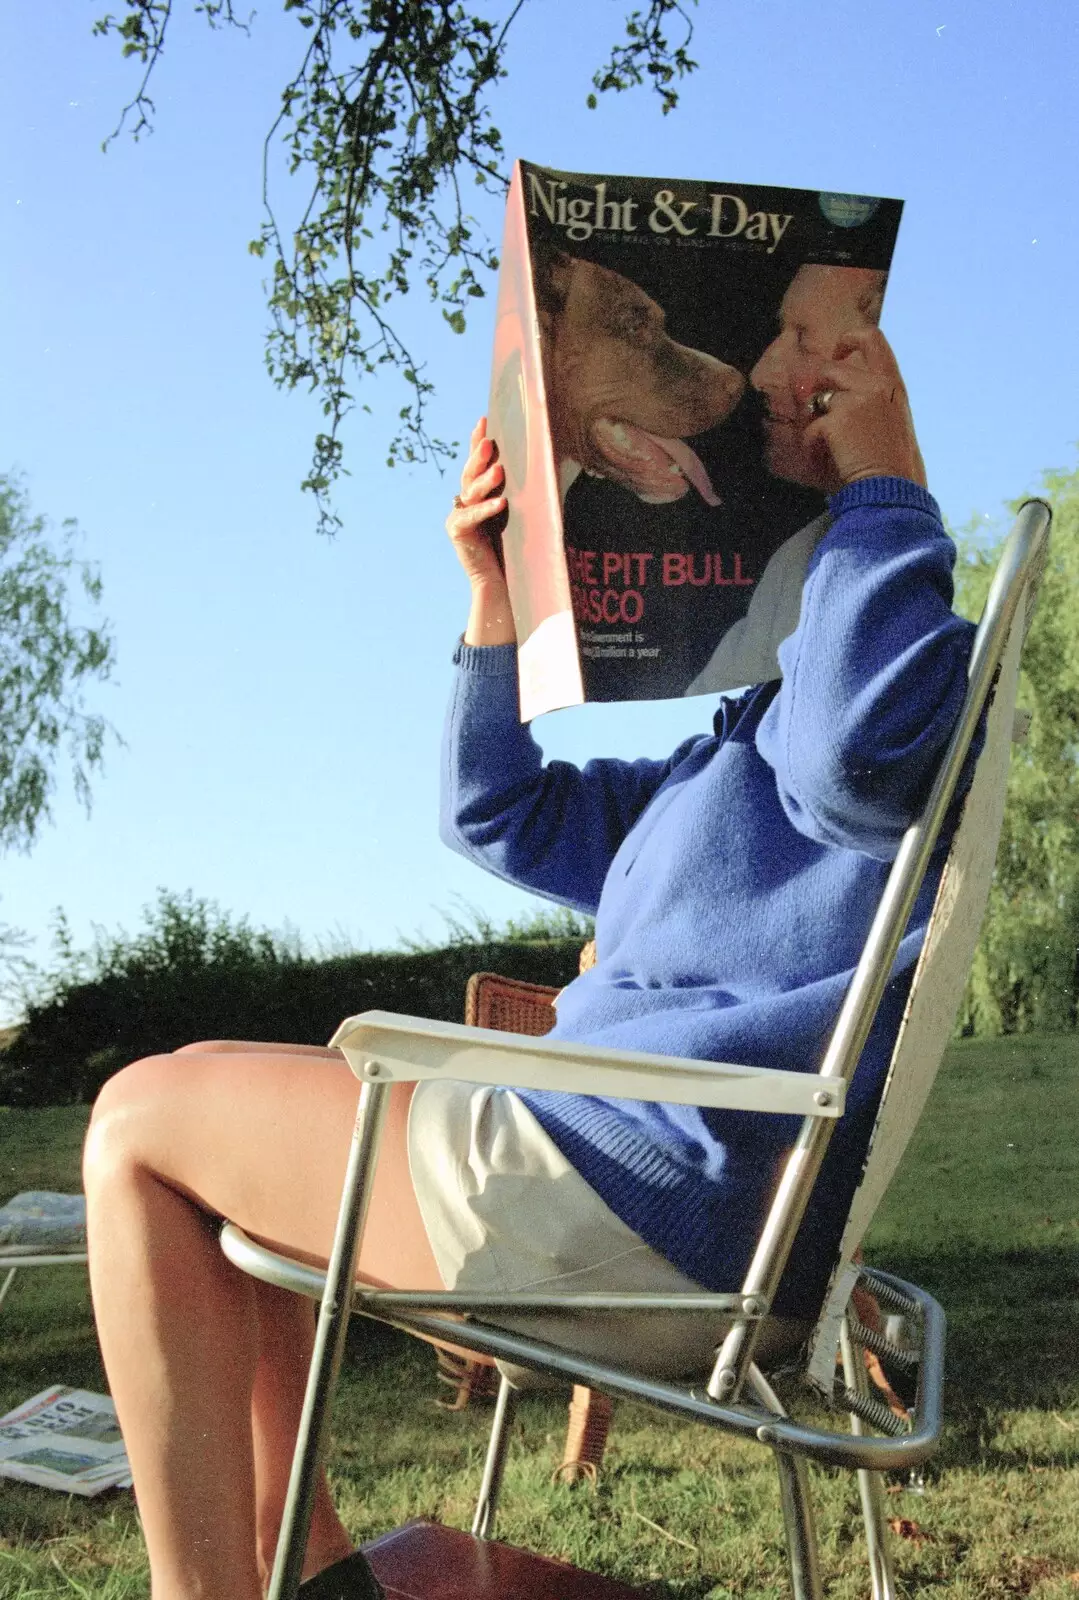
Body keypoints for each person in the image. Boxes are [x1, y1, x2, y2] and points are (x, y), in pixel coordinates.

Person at [82, 323, 973, 1600]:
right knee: (206, 1119)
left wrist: (882, 487)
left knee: (135, 1122)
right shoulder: (724, 765)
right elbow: (494, 811)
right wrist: (494, 596)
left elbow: (854, 754)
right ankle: (313, 1562)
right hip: (612, 1169)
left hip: (628, 1188)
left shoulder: (895, 706)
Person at [686, 263, 909, 694]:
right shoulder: (799, 559)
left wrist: (877, 480)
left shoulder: (852, 560)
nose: (759, 375)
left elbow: (842, 746)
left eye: (803, 341)